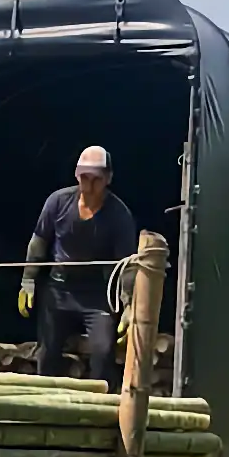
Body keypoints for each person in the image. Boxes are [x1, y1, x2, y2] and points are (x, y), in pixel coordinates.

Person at [18, 145, 137, 386]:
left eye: (96, 179)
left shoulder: (119, 215)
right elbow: (38, 242)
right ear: (76, 175)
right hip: (59, 288)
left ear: (108, 179)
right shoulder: (58, 202)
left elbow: (127, 265)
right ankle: (45, 405)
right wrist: (28, 281)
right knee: (47, 352)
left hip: (97, 293)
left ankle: (97, 407)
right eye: (85, 178)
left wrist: (128, 304)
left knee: (103, 352)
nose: (90, 185)